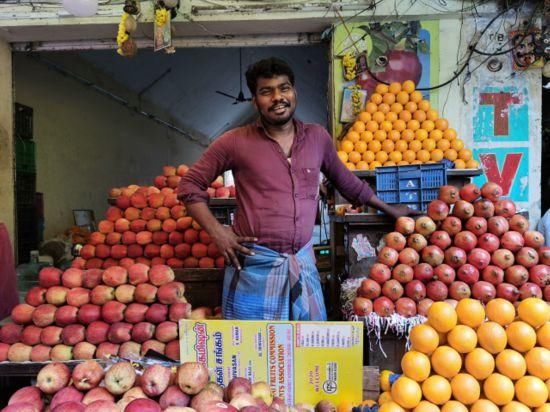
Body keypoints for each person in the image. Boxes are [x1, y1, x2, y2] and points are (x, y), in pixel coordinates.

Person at [178, 57, 417, 321]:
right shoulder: (234, 142)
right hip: (256, 269)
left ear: (294, 92)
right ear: (255, 101)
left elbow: (346, 181)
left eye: (284, 88)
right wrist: (218, 233)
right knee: (256, 353)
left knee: (308, 352)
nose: (277, 97)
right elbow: (189, 185)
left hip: (302, 265)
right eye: (266, 91)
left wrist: (389, 208)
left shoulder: (317, 138)